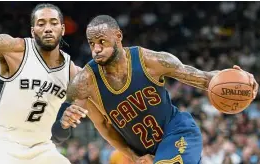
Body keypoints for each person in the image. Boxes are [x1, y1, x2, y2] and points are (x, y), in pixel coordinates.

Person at [54, 15, 259, 163]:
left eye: (102, 41)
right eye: (91, 43)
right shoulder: (86, 82)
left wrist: (237, 80)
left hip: (178, 133)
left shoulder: (150, 61)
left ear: (118, 36)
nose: (96, 49)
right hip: (146, 153)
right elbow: (101, 129)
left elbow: (204, 79)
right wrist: (134, 157)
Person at [0, 3, 87, 164]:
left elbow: (60, 135)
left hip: (41, 148)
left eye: (54, 23)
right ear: (32, 31)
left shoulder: (73, 72)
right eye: (41, 23)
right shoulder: (14, 49)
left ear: (63, 29)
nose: (48, 28)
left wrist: (64, 123)